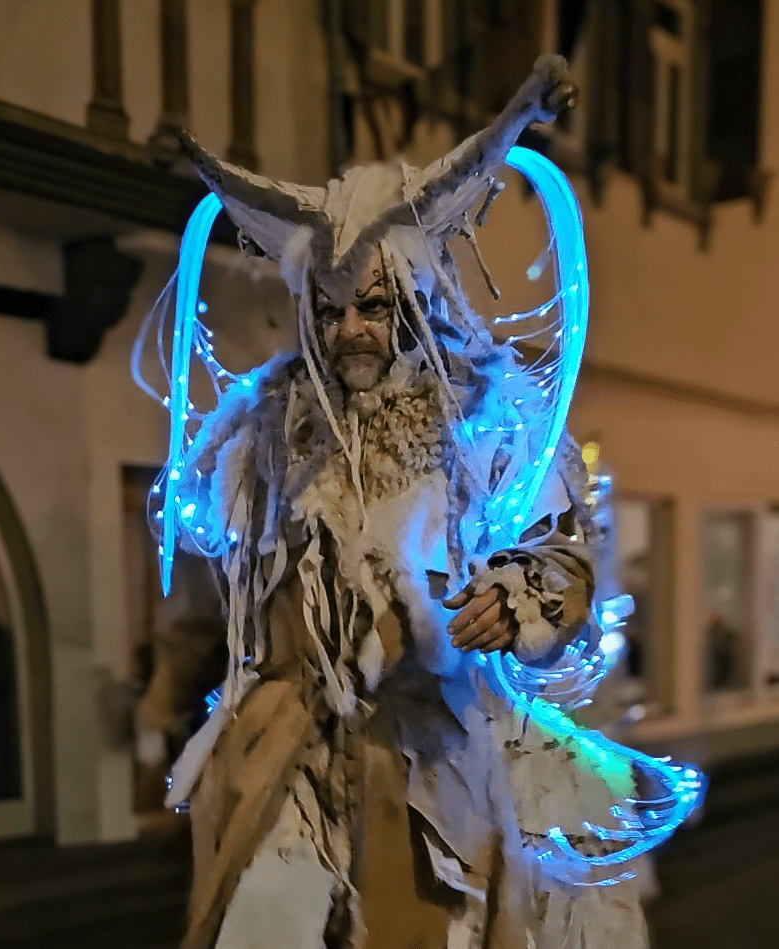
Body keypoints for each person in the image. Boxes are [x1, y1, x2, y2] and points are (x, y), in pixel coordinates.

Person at [159, 56, 653, 949]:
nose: (351, 328)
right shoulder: (265, 429)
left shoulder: (484, 419)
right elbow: (226, 581)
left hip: (427, 749)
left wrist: (513, 595)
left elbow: (561, 554)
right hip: (286, 750)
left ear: (418, 305)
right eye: (333, 308)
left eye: (376, 307)